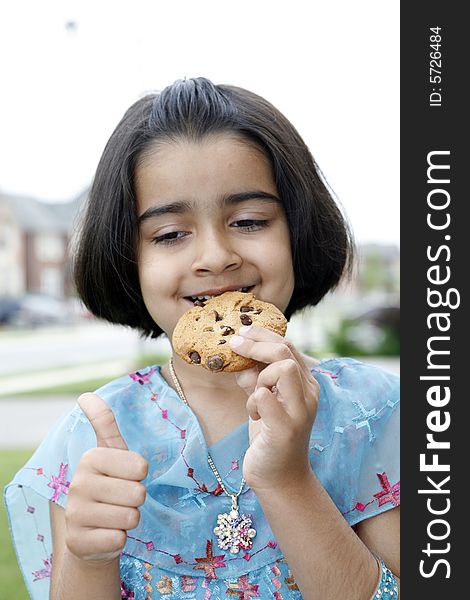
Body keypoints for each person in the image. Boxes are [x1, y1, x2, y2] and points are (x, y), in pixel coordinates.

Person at [4, 77, 399, 599]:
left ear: (298, 230)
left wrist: (287, 482)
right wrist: (89, 557)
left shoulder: (376, 415)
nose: (214, 256)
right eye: (170, 234)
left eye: (250, 220)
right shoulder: (90, 443)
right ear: (129, 259)